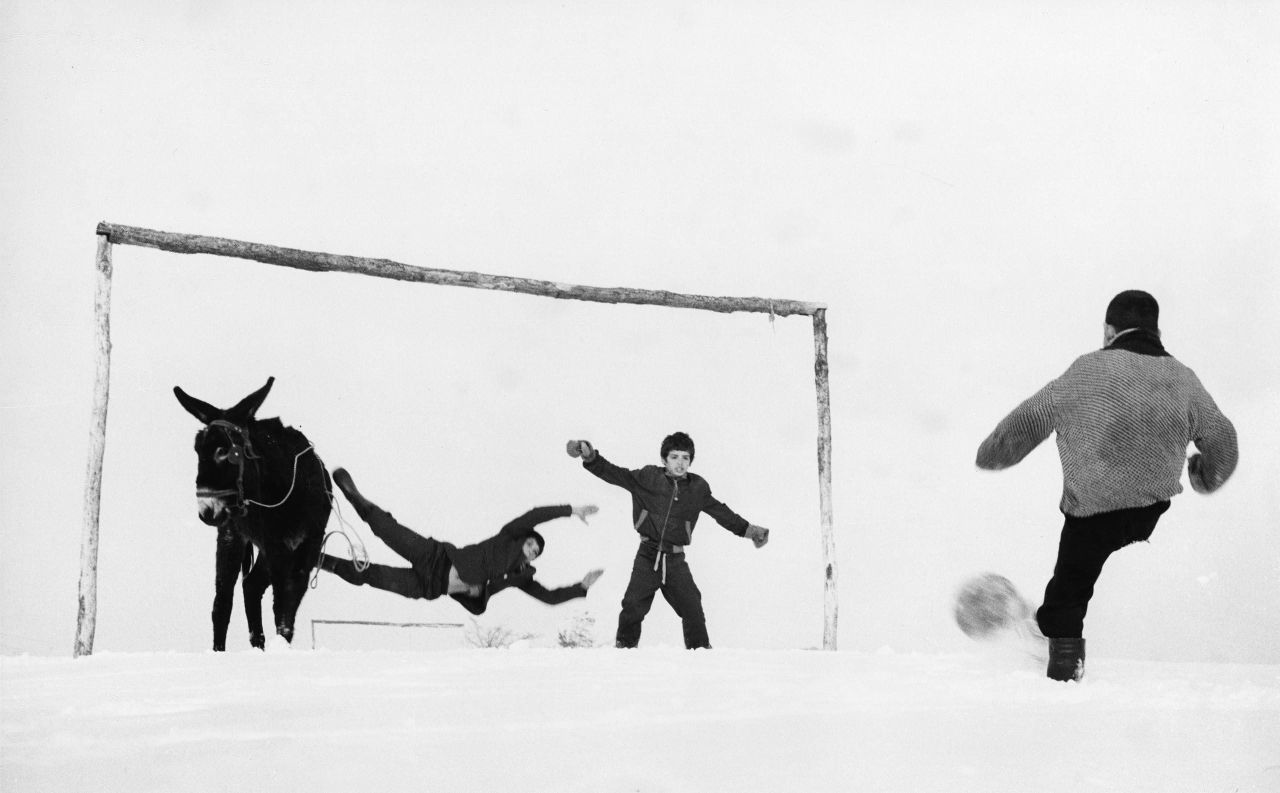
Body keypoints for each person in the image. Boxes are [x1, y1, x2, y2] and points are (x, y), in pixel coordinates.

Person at [976, 290, 1238, 681]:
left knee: (1072, 584)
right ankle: (1048, 627)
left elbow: (1027, 421)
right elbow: (1223, 440)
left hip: (1092, 512)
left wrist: (991, 456)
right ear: (1156, 330)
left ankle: (1061, 659)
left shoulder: (1084, 371)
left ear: (1109, 330)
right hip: (1149, 511)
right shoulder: (1184, 379)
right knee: (1079, 569)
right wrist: (1203, 475)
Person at [566, 432, 771, 649]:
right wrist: (590, 457)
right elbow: (616, 474)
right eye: (674, 457)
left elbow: (721, 512)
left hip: (675, 559)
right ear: (664, 460)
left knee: (692, 606)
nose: (680, 463)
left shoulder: (697, 488)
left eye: (685, 458)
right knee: (633, 605)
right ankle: (624, 651)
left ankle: (701, 653)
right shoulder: (647, 478)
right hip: (647, 555)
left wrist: (750, 531)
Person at [319, 467, 604, 615]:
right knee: (387, 529)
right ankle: (356, 497)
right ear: (523, 540)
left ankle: (323, 562)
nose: (532, 550)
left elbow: (549, 598)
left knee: (372, 576)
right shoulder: (508, 537)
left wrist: (580, 587)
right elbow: (535, 515)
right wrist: (570, 510)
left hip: (430, 586)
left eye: (536, 552)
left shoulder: (520, 576)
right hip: (435, 557)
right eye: (531, 544)